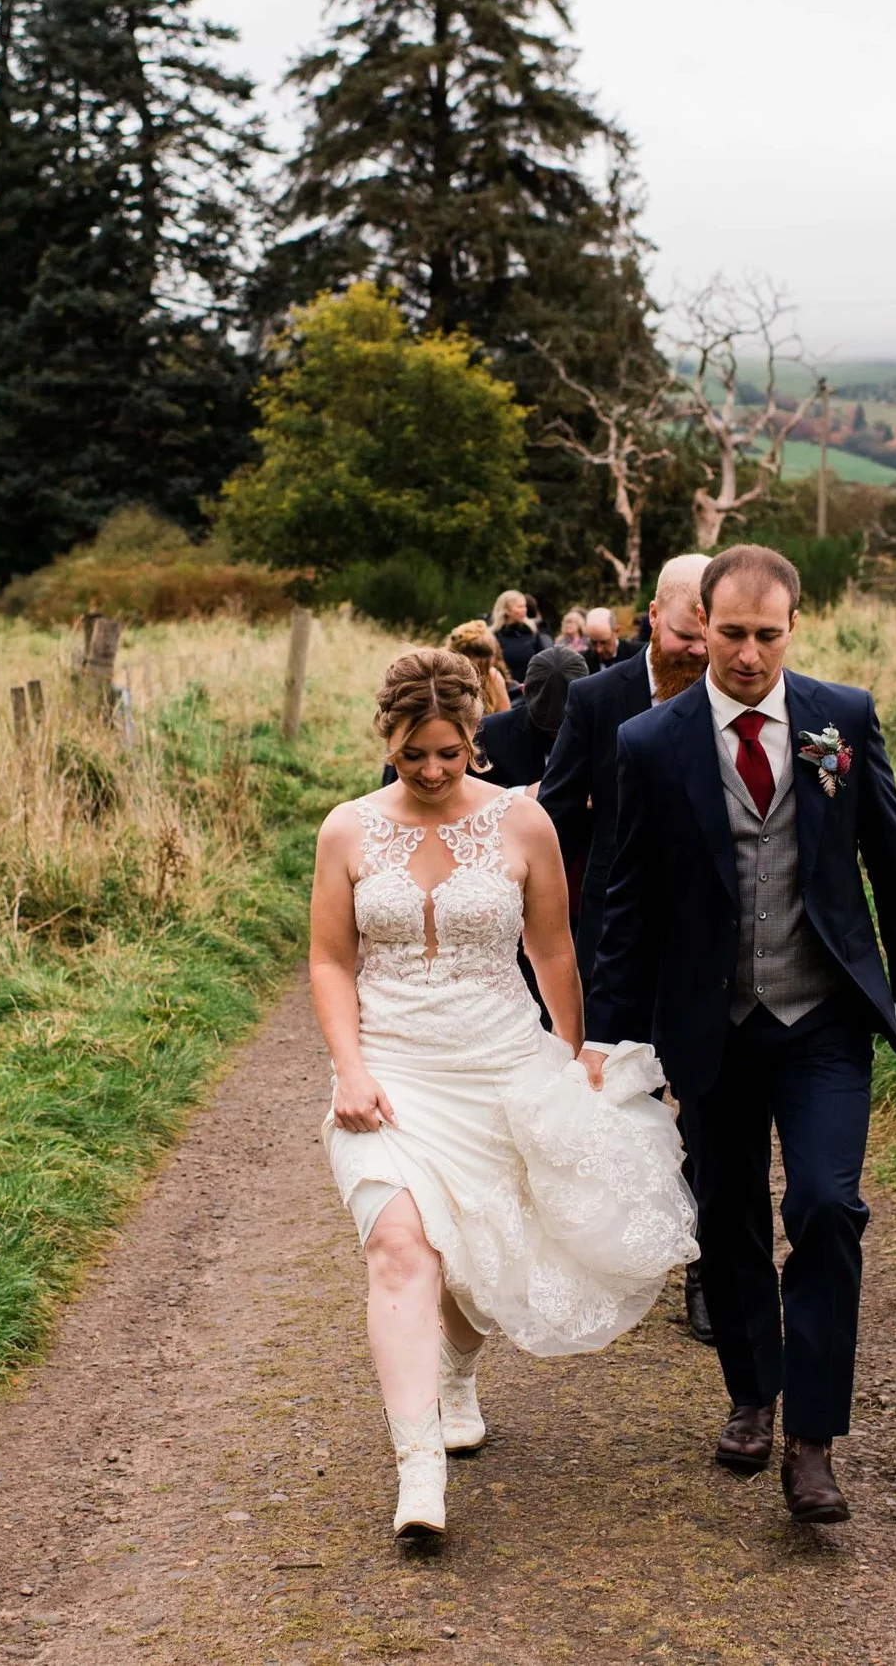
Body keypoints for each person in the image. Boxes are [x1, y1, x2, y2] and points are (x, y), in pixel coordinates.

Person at [579, 545, 896, 1526]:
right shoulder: (654, 742)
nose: (745, 653)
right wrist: (607, 1033)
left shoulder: (841, 718)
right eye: (728, 633)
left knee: (825, 1206)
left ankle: (812, 1440)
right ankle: (752, 1391)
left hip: (822, 1012)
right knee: (727, 1213)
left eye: (765, 635)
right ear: (700, 623)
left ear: (793, 626)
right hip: (713, 1017)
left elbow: (888, 856)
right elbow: (629, 898)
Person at [309, 648, 697, 1543]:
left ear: (472, 738)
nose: (434, 771)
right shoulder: (348, 831)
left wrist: (576, 1057)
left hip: (500, 1063)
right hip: (393, 1072)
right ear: (389, 741)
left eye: (449, 752)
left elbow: (554, 949)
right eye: (414, 756)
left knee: (483, 1256)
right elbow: (332, 960)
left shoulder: (524, 825)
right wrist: (350, 1069)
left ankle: (454, 1371)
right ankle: (419, 1474)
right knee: (402, 1246)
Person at [537, 552, 714, 1339]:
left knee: (711, 1106)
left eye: (710, 640)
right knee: (623, 1098)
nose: (702, 654)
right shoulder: (595, 697)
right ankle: (626, 1254)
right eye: (687, 635)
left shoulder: (746, 690)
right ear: (653, 617)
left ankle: (710, 1268)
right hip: (617, 933)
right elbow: (557, 820)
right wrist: (542, 934)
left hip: (715, 941)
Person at [473, 644, 588, 792]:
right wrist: (522, 794)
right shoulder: (488, 735)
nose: (557, 738)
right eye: (549, 730)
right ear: (522, 690)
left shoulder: (606, 730)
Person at [444, 620, 513, 712]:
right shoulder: (442, 680)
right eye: (475, 668)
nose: (479, 674)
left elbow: (505, 716)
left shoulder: (493, 677)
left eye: (485, 669)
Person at [489, 590, 548, 685]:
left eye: (525, 606)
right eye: (520, 606)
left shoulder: (532, 632)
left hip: (532, 688)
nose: (525, 610)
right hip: (507, 689)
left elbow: (544, 660)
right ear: (507, 610)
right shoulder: (494, 636)